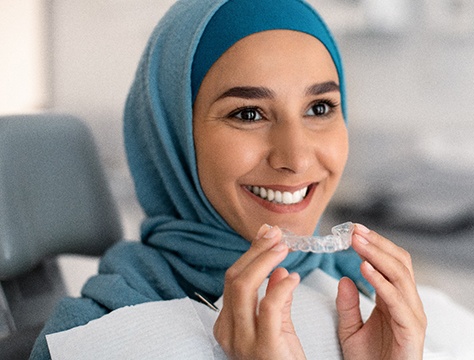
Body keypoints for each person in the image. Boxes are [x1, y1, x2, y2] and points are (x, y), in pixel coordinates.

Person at [30, 0, 428, 358]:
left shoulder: (374, 301)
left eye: (319, 107)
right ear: (173, 137)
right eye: (248, 114)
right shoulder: (93, 338)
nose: (296, 158)